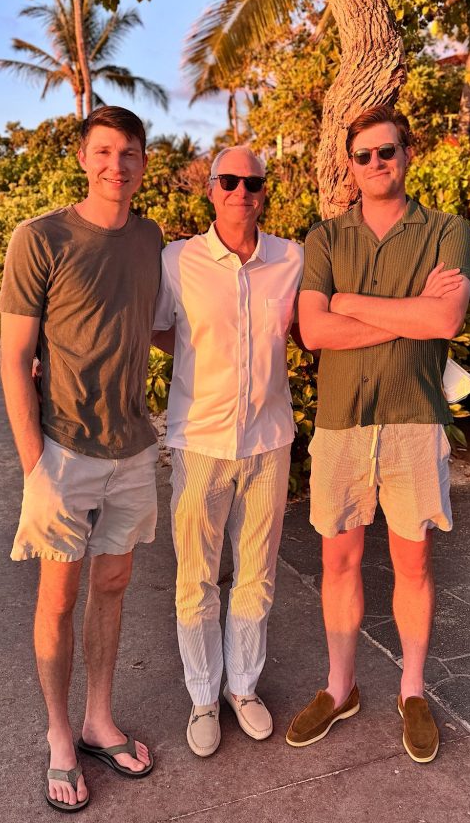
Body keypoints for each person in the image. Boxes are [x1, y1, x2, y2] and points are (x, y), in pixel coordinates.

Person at [286, 105, 470, 764]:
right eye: (363, 155)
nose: (375, 163)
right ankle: (340, 688)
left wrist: (349, 303)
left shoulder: (446, 230)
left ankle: (411, 691)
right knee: (337, 562)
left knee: (413, 563)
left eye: (386, 151)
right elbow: (314, 332)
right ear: (351, 164)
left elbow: (444, 320)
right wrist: (408, 313)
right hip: (341, 423)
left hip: (414, 420)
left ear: (406, 153)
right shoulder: (325, 239)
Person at [0, 106, 161, 812]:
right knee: (58, 597)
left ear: (143, 163)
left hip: (133, 447)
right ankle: (60, 735)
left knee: (114, 585)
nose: (115, 166)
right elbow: (14, 358)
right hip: (63, 450)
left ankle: (98, 718)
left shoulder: (151, 238)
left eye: (129, 153)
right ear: (82, 158)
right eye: (103, 151)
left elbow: (153, 326)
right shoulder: (40, 238)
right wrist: (34, 466)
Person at [152, 145, 303, 757]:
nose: (242, 191)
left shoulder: (291, 258)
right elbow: (158, 329)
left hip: (269, 441)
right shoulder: (177, 260)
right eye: (229, 181)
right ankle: (203, 698)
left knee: (256, 574)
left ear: (264, 193)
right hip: (200, 441)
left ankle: (243, 687)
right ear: (211, 190)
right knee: (195, 577)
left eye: (253, 182)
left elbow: (307, 328)